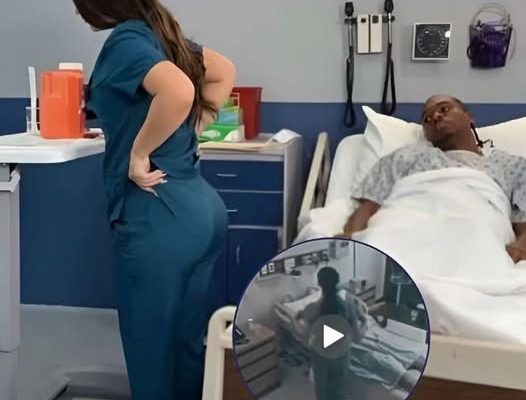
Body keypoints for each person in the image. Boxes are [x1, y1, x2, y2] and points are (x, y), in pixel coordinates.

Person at [73, 1, 236, 399]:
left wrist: (139, 152)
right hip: (200, 210)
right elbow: (224, 71)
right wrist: (194, 127)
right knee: (185, 347)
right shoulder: (163, 37)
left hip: (158, 213)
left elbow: (178, 91)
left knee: (150, 353)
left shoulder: (125, 42)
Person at [338, 95, 526, 263]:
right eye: (427, 119)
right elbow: (369, 206)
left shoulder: (510, 165)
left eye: (444, 109)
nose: (435, 116)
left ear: (469, 117)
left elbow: (523, 221)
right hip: (405, 227)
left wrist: (521, 246)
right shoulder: (404, 157)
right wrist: (351, 240)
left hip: (475, 233)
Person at [297, 267, 365, 400]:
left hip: (320, 355)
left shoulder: (313, 308)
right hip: (341, 354)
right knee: (337, 390)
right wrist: (365, 322)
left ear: (319, 283)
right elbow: (357, 338)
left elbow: (303, 335)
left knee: (321, 392)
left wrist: (296, 320)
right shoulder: (348, 305)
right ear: (337, 281)